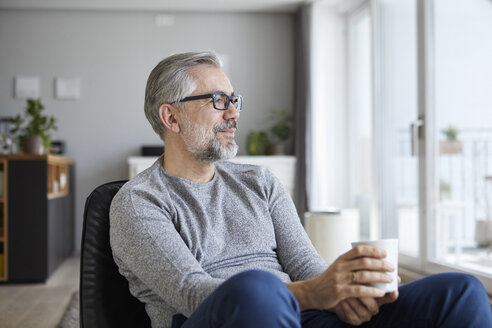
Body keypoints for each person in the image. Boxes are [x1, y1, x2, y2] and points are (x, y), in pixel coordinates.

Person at [110, 51, 492, 328]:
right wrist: (311, 293)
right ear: (170, 116)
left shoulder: (258, 182)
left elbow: (307, 267)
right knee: (255, 290)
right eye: (218, 100)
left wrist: (343, 295)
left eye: (234, 100)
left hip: (300, 315)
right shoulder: (138, 202)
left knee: (461, 291)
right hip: (221, 319)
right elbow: (193, 294)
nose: (234, 113)